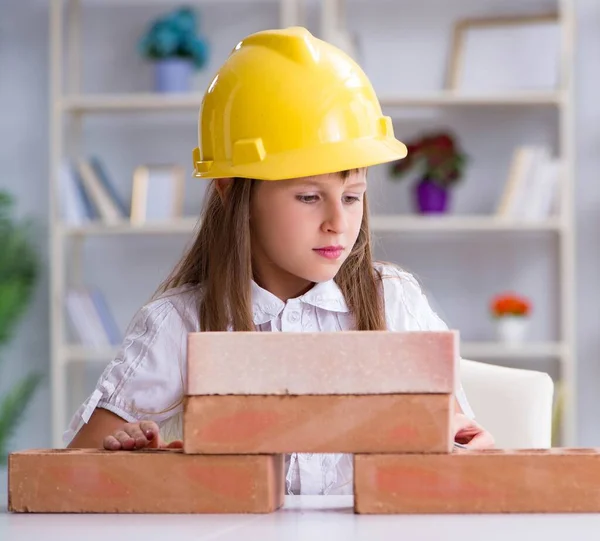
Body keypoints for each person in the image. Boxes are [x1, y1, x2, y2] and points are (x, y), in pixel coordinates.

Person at [65, 26, 494, 495]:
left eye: (352, 197)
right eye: (309, 196)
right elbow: (72, 477)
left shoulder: (393, 301)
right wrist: (134, 461)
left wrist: (462, 444)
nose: (338, 222)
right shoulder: (180, 324)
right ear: (232, 193)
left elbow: (472, 450)